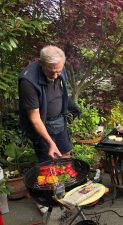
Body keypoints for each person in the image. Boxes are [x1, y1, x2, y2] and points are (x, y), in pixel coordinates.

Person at [18, 46, 81, 212]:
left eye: (58, 71)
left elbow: (61, 93)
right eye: (51, 71)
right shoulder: (28, 81)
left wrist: (72, 108)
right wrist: (50, 142)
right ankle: (45, 199)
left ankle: (64, 192)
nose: (55, 75)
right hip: (42, 126)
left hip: (59, 122)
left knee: (66, 156)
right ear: (41, 63)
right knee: (47, 164)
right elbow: (34, 118)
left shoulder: (58, 69)